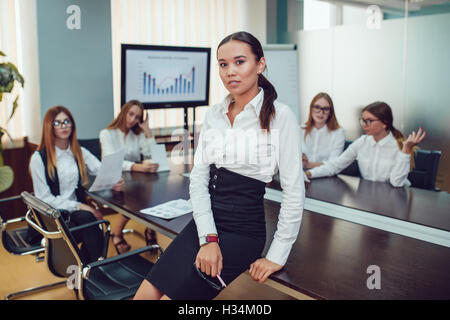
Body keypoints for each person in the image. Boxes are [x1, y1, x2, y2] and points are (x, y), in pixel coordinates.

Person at [133, 31, 304, 300]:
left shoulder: (280, 116)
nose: (230, 72)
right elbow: (199, 180)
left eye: (239, 62)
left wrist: (277, 254)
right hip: (205, 225)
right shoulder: (214, 114)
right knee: (143, 297)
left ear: (260, 65)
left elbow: (294, 193)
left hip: (243, 232)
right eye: (223, 64)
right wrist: (209, 239)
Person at [28, 105, 124, 262]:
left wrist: (113, 181)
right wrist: (81, 206)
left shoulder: (78, 151)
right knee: (91, 222)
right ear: (49, 127)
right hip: (53, 215)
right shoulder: (38, 158)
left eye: (67, 121)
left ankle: (85, 271)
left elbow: (100, 170)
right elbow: (44, 199)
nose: (64, 126)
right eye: (57, 123)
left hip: (75, 214)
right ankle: (93, 269)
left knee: (91, 223)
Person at [305, 101, 426, 187]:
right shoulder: (362, 142)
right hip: (369, 197)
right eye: (363, 120)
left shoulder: (399, 146)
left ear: (384, 123)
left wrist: (406, 151)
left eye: (369, 121)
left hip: (397, 198)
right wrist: (308, 174)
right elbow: (335, 165)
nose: (364, 124)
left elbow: (397, 183)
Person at [99, 100, 159, 254]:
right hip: (113, 180)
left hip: (133, 179)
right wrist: (137, 166)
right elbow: (111, 160)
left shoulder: (136, 135)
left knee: (153, 191)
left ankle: (149, 228)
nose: (133, 120)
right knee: (137, 197)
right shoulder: (107, 134)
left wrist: (147, 131)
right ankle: (117, 233)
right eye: (130, 114)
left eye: (137, 117)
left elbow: (150, 154)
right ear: (123, 112)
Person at [301, 92, 345, 169]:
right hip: (302, 173)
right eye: (317, 107)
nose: (321, 112)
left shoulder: (338, 132)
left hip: (327, 175)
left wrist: (308, 165)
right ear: (311, 108)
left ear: (331, 112)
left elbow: (334, 163)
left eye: (326, 109)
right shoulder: (300, 130)